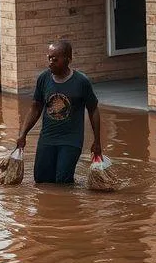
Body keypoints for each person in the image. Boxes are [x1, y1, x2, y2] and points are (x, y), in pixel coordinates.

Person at [14, 39, 102, 184]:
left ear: (68, 59)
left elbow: (93, 110)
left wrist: (97, 141)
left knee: (63, 181)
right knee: (41, 180)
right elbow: (35, 108)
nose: (50, 62)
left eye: (55, 59)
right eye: (49, 58)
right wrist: (23, 134)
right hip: (47, 138)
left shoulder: (81, 82)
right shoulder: (44, 78)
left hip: (71, 140)